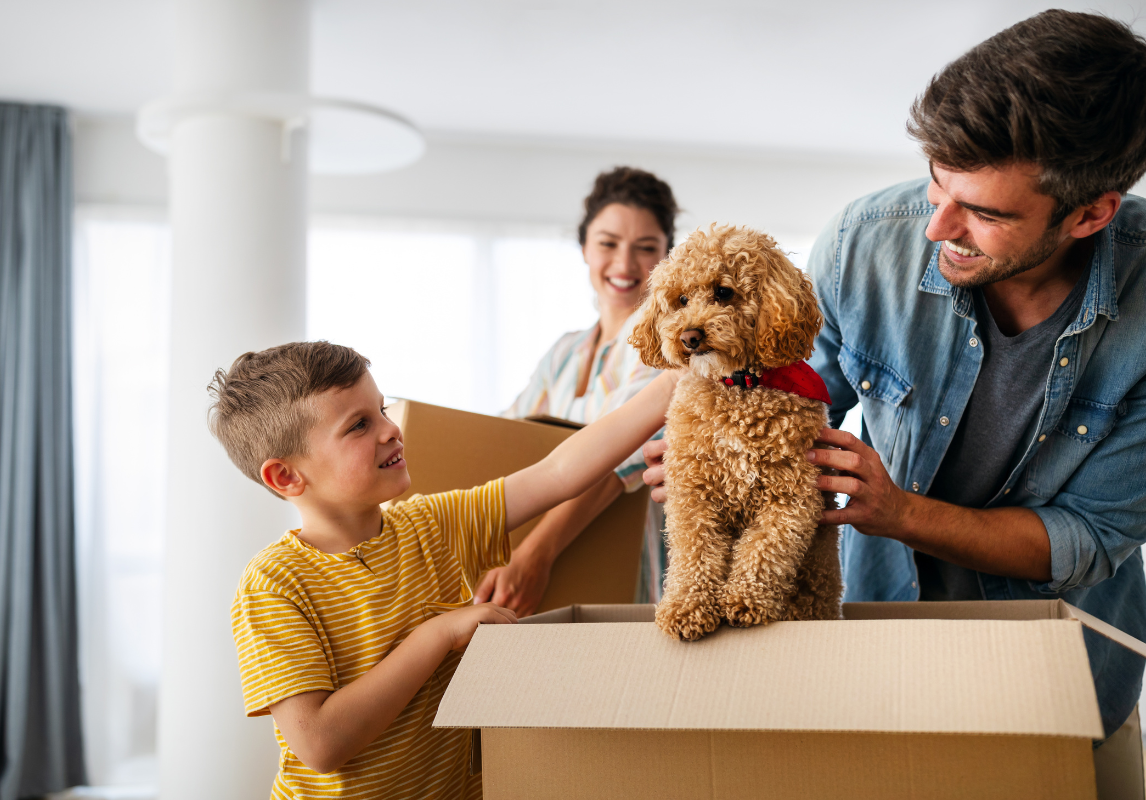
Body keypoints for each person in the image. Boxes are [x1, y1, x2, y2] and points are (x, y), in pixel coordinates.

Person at [644, 10, 1146, 737]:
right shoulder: (863, 244)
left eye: (980, 212)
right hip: (877, 634)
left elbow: (1091, 537)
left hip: (1060, 666)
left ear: (1090, 215)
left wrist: (901, 513)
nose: (937, 228)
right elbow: (764, 381)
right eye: (937, 185)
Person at [213, 341, 675, 799]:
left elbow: (557, 473)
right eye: (359, 425)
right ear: (286, 477)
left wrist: (672, 385)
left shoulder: (432, 524)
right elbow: (320, 743)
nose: (390, 430)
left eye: (382, 409)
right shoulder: (273, 584)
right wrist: (438, 634)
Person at [474, 166, 678, 616]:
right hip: (567, 579)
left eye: (646, 249)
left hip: (636, 576)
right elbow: (505, 433)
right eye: (607, 244)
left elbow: (618, 457)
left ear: (668, 258)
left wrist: (536, 555)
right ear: (584, 246)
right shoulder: (565, 351)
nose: (625, 266)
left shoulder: (670, 349)